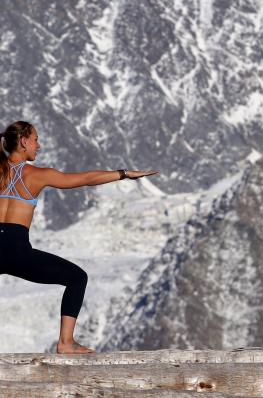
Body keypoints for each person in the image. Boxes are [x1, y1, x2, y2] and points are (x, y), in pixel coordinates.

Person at [0, 120, 158, 354]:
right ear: (23, 142)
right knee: (76, 278)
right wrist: (124, 174)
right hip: (17, 251)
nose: (39, 145)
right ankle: (65, 343)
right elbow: (85, 178)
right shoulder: (37, 175)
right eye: (35, 139)